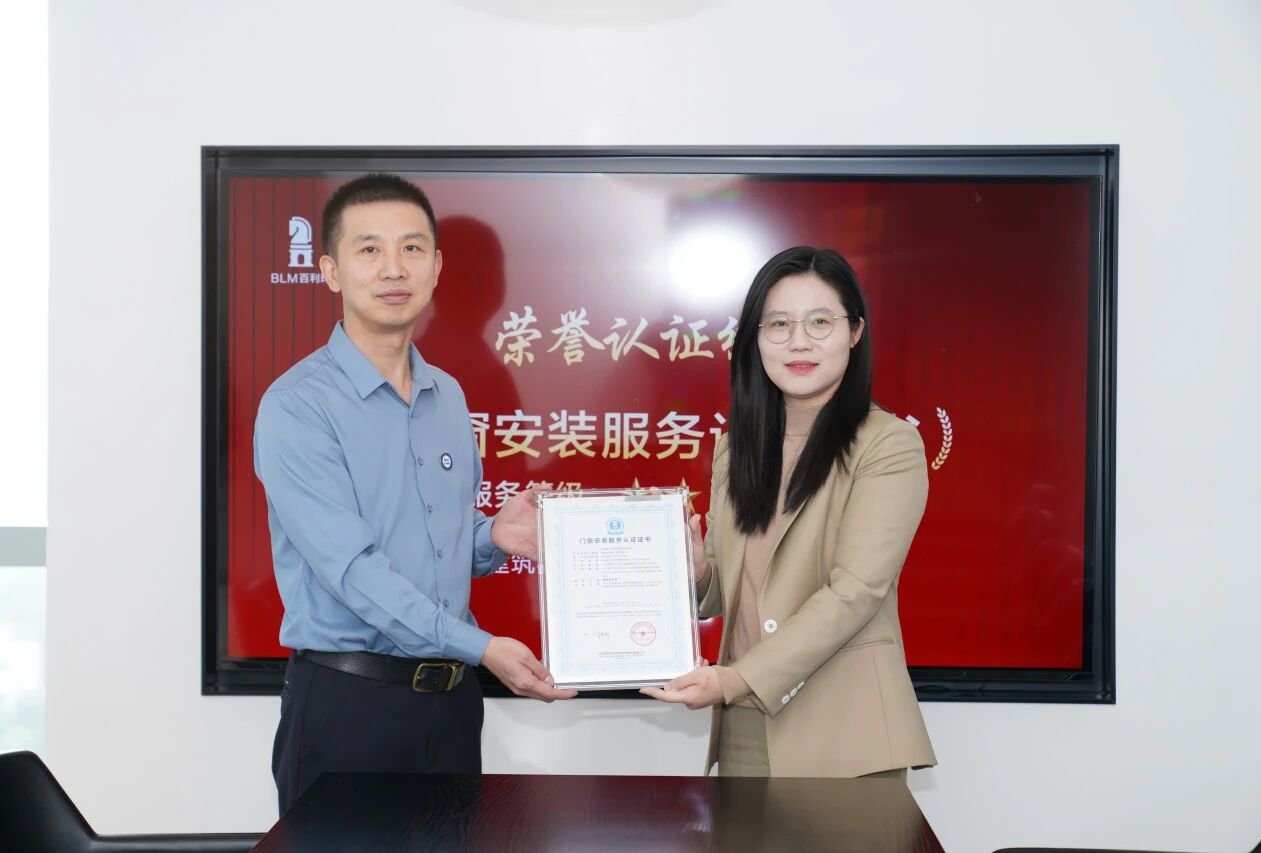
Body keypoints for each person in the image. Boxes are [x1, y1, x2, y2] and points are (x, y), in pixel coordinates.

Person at [254, 173, 575, 815]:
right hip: (350, 707)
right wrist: (481, 647)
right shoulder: (297, 406)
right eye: (369, 249)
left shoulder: (446, 395)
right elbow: (354, 572)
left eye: (412, 248)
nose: (393, 268)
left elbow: (436, 539)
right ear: (330, 270)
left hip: (451, 708)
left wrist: (491, 536)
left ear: (435, 267)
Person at [642, 246, 937, 779]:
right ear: (755, 339)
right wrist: (698, 571)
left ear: (855, 332)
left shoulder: (887, 444)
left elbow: (856, 592)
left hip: (846, 735)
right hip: (743, 728)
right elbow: (728, 587)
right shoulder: (735, 447)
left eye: (820, 322)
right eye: (778, 324)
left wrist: (735, 679)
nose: (799, 341)